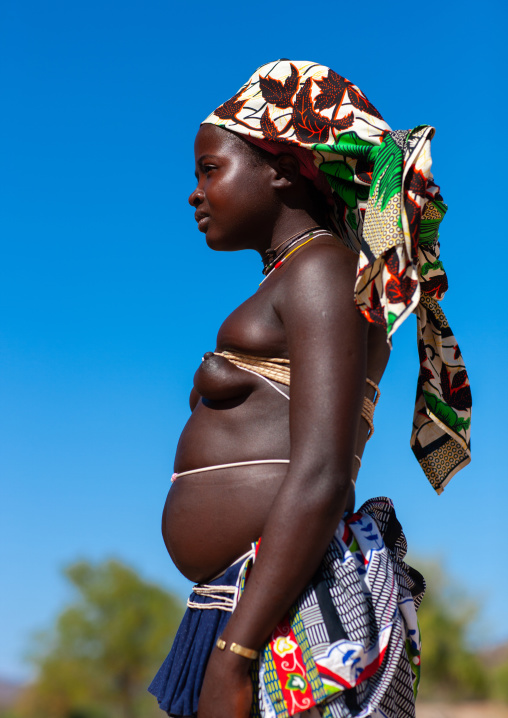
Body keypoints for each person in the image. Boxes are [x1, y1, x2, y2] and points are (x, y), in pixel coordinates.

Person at [148, 60, 472, 718]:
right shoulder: (295, 278)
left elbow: (322, 472)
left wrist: (236, 656)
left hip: (284, 613)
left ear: (281, 167)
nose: (195, 193)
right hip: (247, 600)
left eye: (210, 169)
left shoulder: (322, 269)